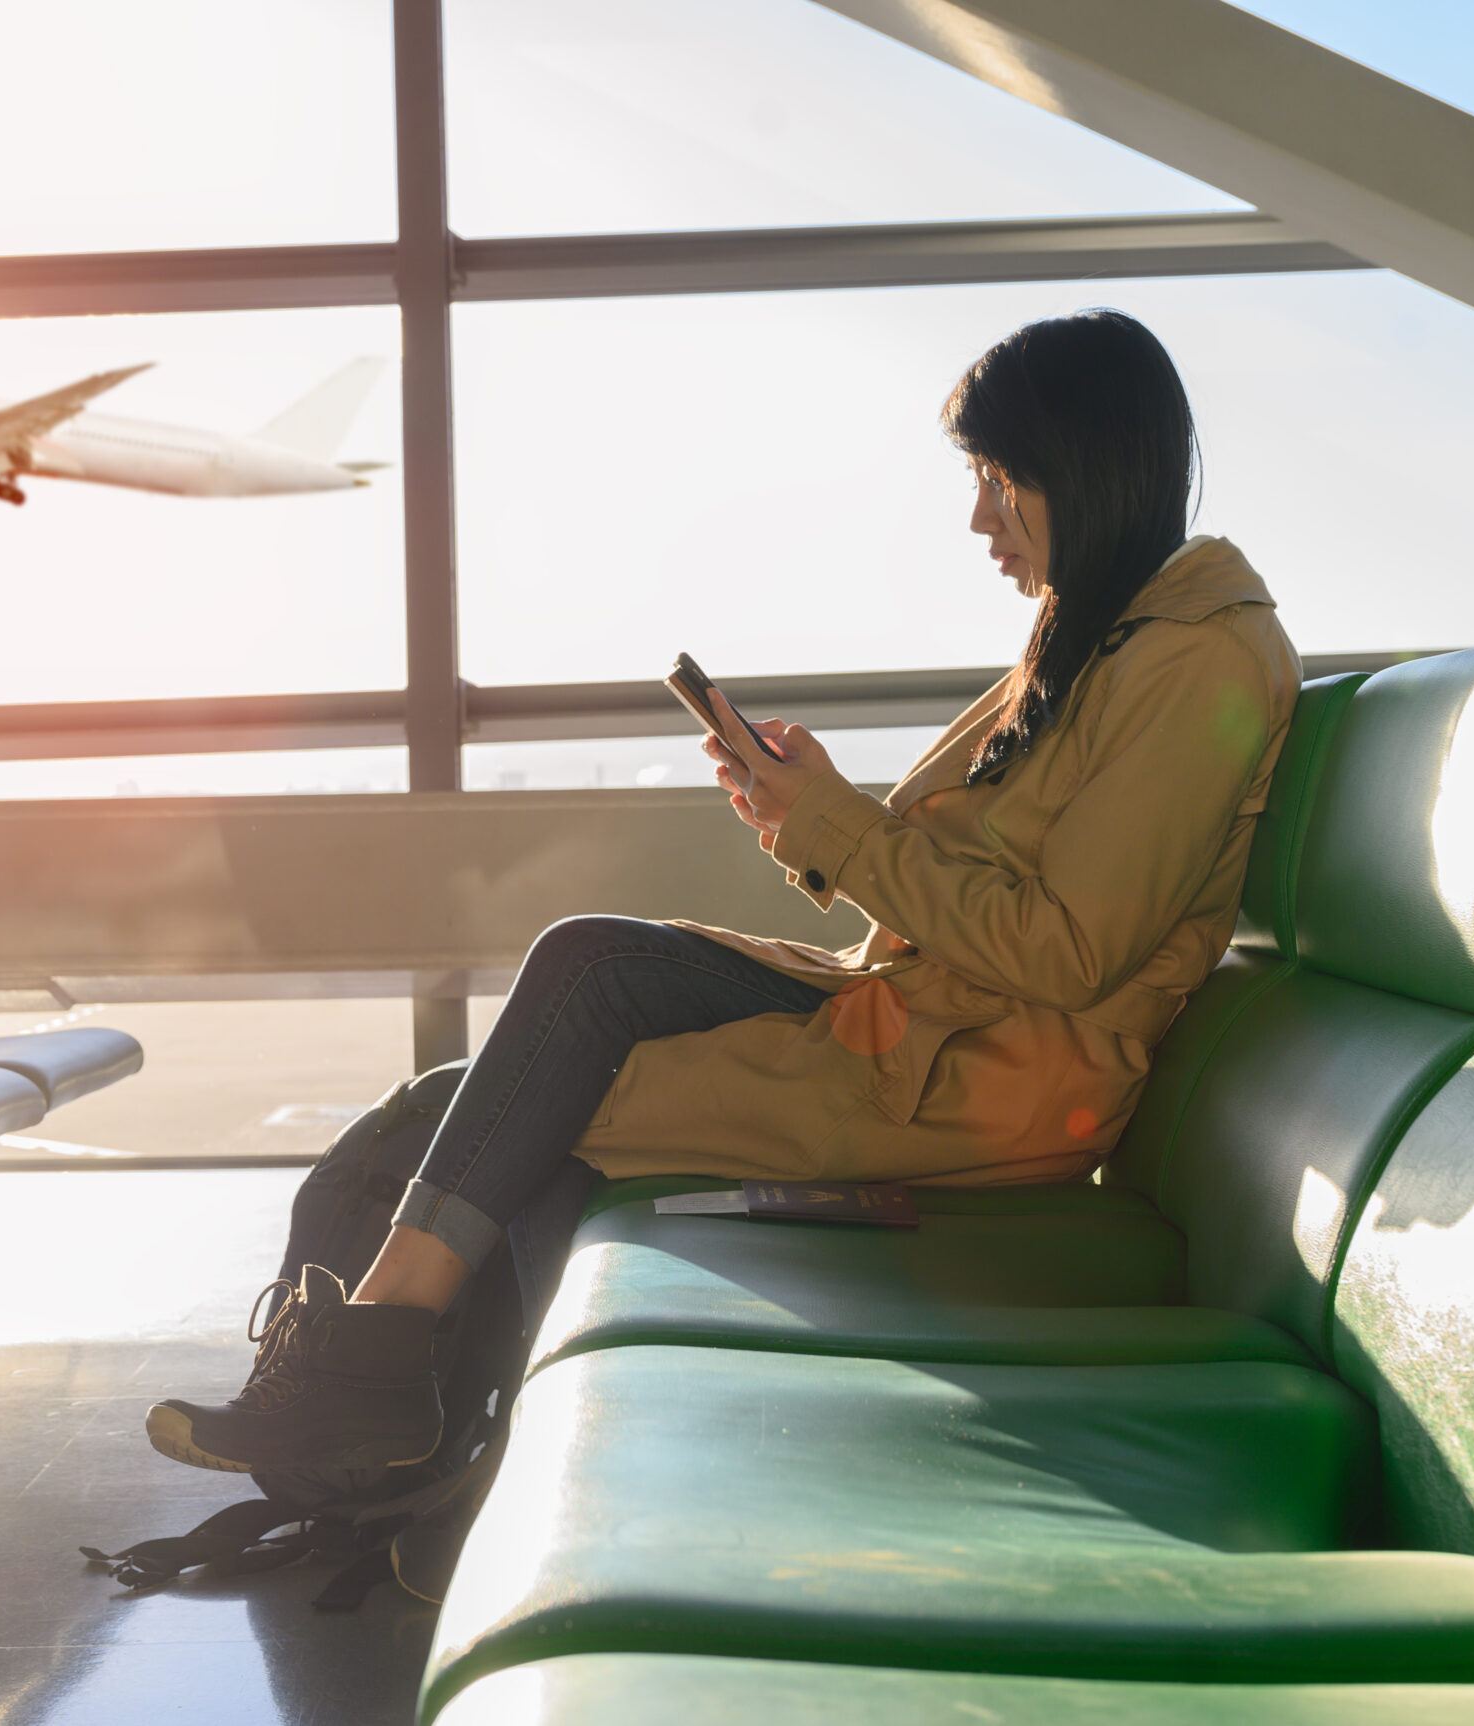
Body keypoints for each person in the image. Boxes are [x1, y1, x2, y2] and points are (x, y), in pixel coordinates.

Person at [147, 308, 1302, 1477]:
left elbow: (1065, 948)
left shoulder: (1195, 657)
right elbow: (975, 889)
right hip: (919, 1024)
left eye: (1003, 479)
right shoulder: (1097, 634)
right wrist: (804, 825)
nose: (978, 516)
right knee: (577, 973)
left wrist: (839, 829)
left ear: (1091, 465)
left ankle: (382, 1417)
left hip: (976, 1085)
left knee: (507, 1113)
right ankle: (366, 1416)